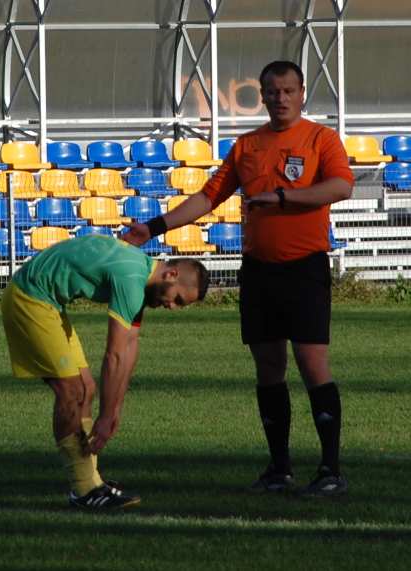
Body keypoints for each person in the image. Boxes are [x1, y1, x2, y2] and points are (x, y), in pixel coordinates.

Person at [123, 60, 354, 497]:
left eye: (289, 90)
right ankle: (279, 468)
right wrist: (153, 227)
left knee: (312, 364)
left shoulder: (321, 139)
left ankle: (330, 470)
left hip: (304, 268)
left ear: (302, 93)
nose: (281, 98)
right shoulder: (247, 146)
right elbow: (209, 197)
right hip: (260, 271)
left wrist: (284, 196)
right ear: (262, 96)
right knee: (269, 368)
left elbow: (341, 187)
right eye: (272, 91)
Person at [1, 234, 209, 509]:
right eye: (178, 300)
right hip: (29, 298)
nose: (173, 307)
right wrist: (106, 414)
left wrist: (115, 411)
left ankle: (90, 482)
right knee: (71, 391)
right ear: (171, 274)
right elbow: (114, 355)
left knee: (86, 389)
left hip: (48, 303)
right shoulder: (131, 278)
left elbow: (130, 347)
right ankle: (85, 488)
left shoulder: (140, 275)